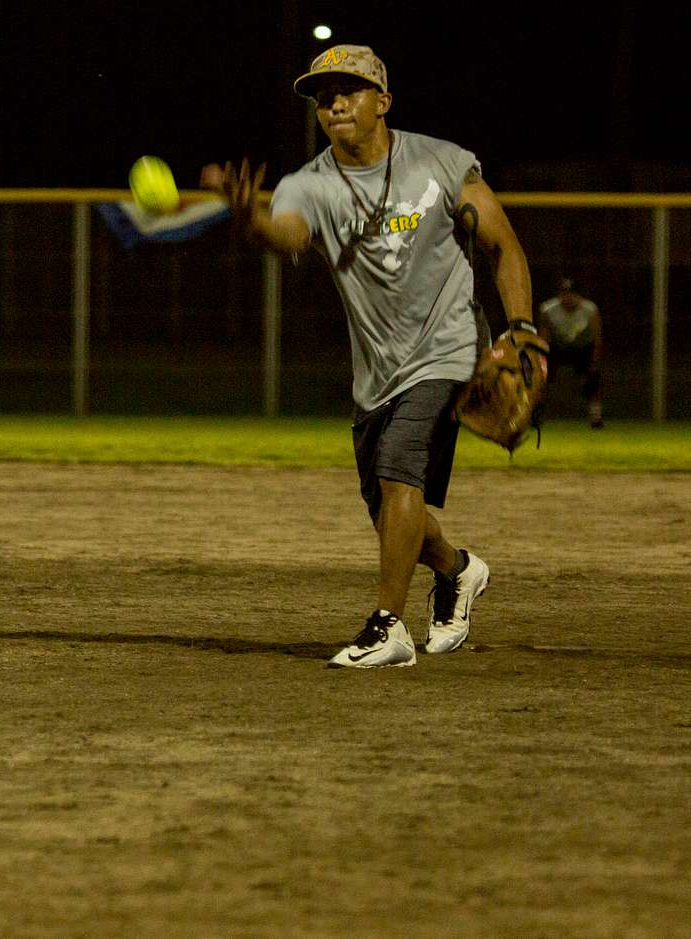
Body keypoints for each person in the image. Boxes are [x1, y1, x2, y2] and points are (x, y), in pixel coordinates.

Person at [219, 44, 542, 669]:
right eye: (323, 95)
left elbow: (504, 246)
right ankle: (458, 571)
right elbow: (287, 234)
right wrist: (252, 222)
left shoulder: (442, 163)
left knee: (400, 471)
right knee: (392, 510)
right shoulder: (309, 185)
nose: (334, 102)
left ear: (383, 102)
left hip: (451, 348)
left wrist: (521, 327)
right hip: (377, 370)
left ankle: (388, 627)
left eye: (349, 90)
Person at [538, 276, 603, 428]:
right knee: (540, 378)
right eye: (565, 293)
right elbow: (543, 338)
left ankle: (596, 417)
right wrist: (541, 361)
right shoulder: (548, 310)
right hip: (558, 347)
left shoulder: (590, 310)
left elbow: (597, 337)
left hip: (582, 348)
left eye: (571, 294)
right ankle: (536, 414)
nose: (568, 298)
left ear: (578, 296)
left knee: (592, 379)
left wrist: (594, 360)